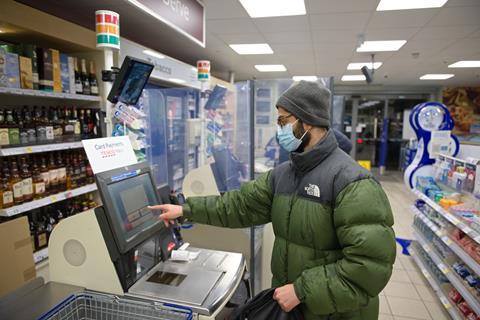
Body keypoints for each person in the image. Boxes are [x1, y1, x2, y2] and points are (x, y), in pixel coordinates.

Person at [150, 81, 396, 320]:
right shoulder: (284, 175)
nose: (279, 129)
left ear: (307, 121)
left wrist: (302, 290)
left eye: (284, 120)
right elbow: (238, 206)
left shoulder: (352, 183)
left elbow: (369, 267)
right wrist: (185, 209)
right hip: (295, 310)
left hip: (335, 312)